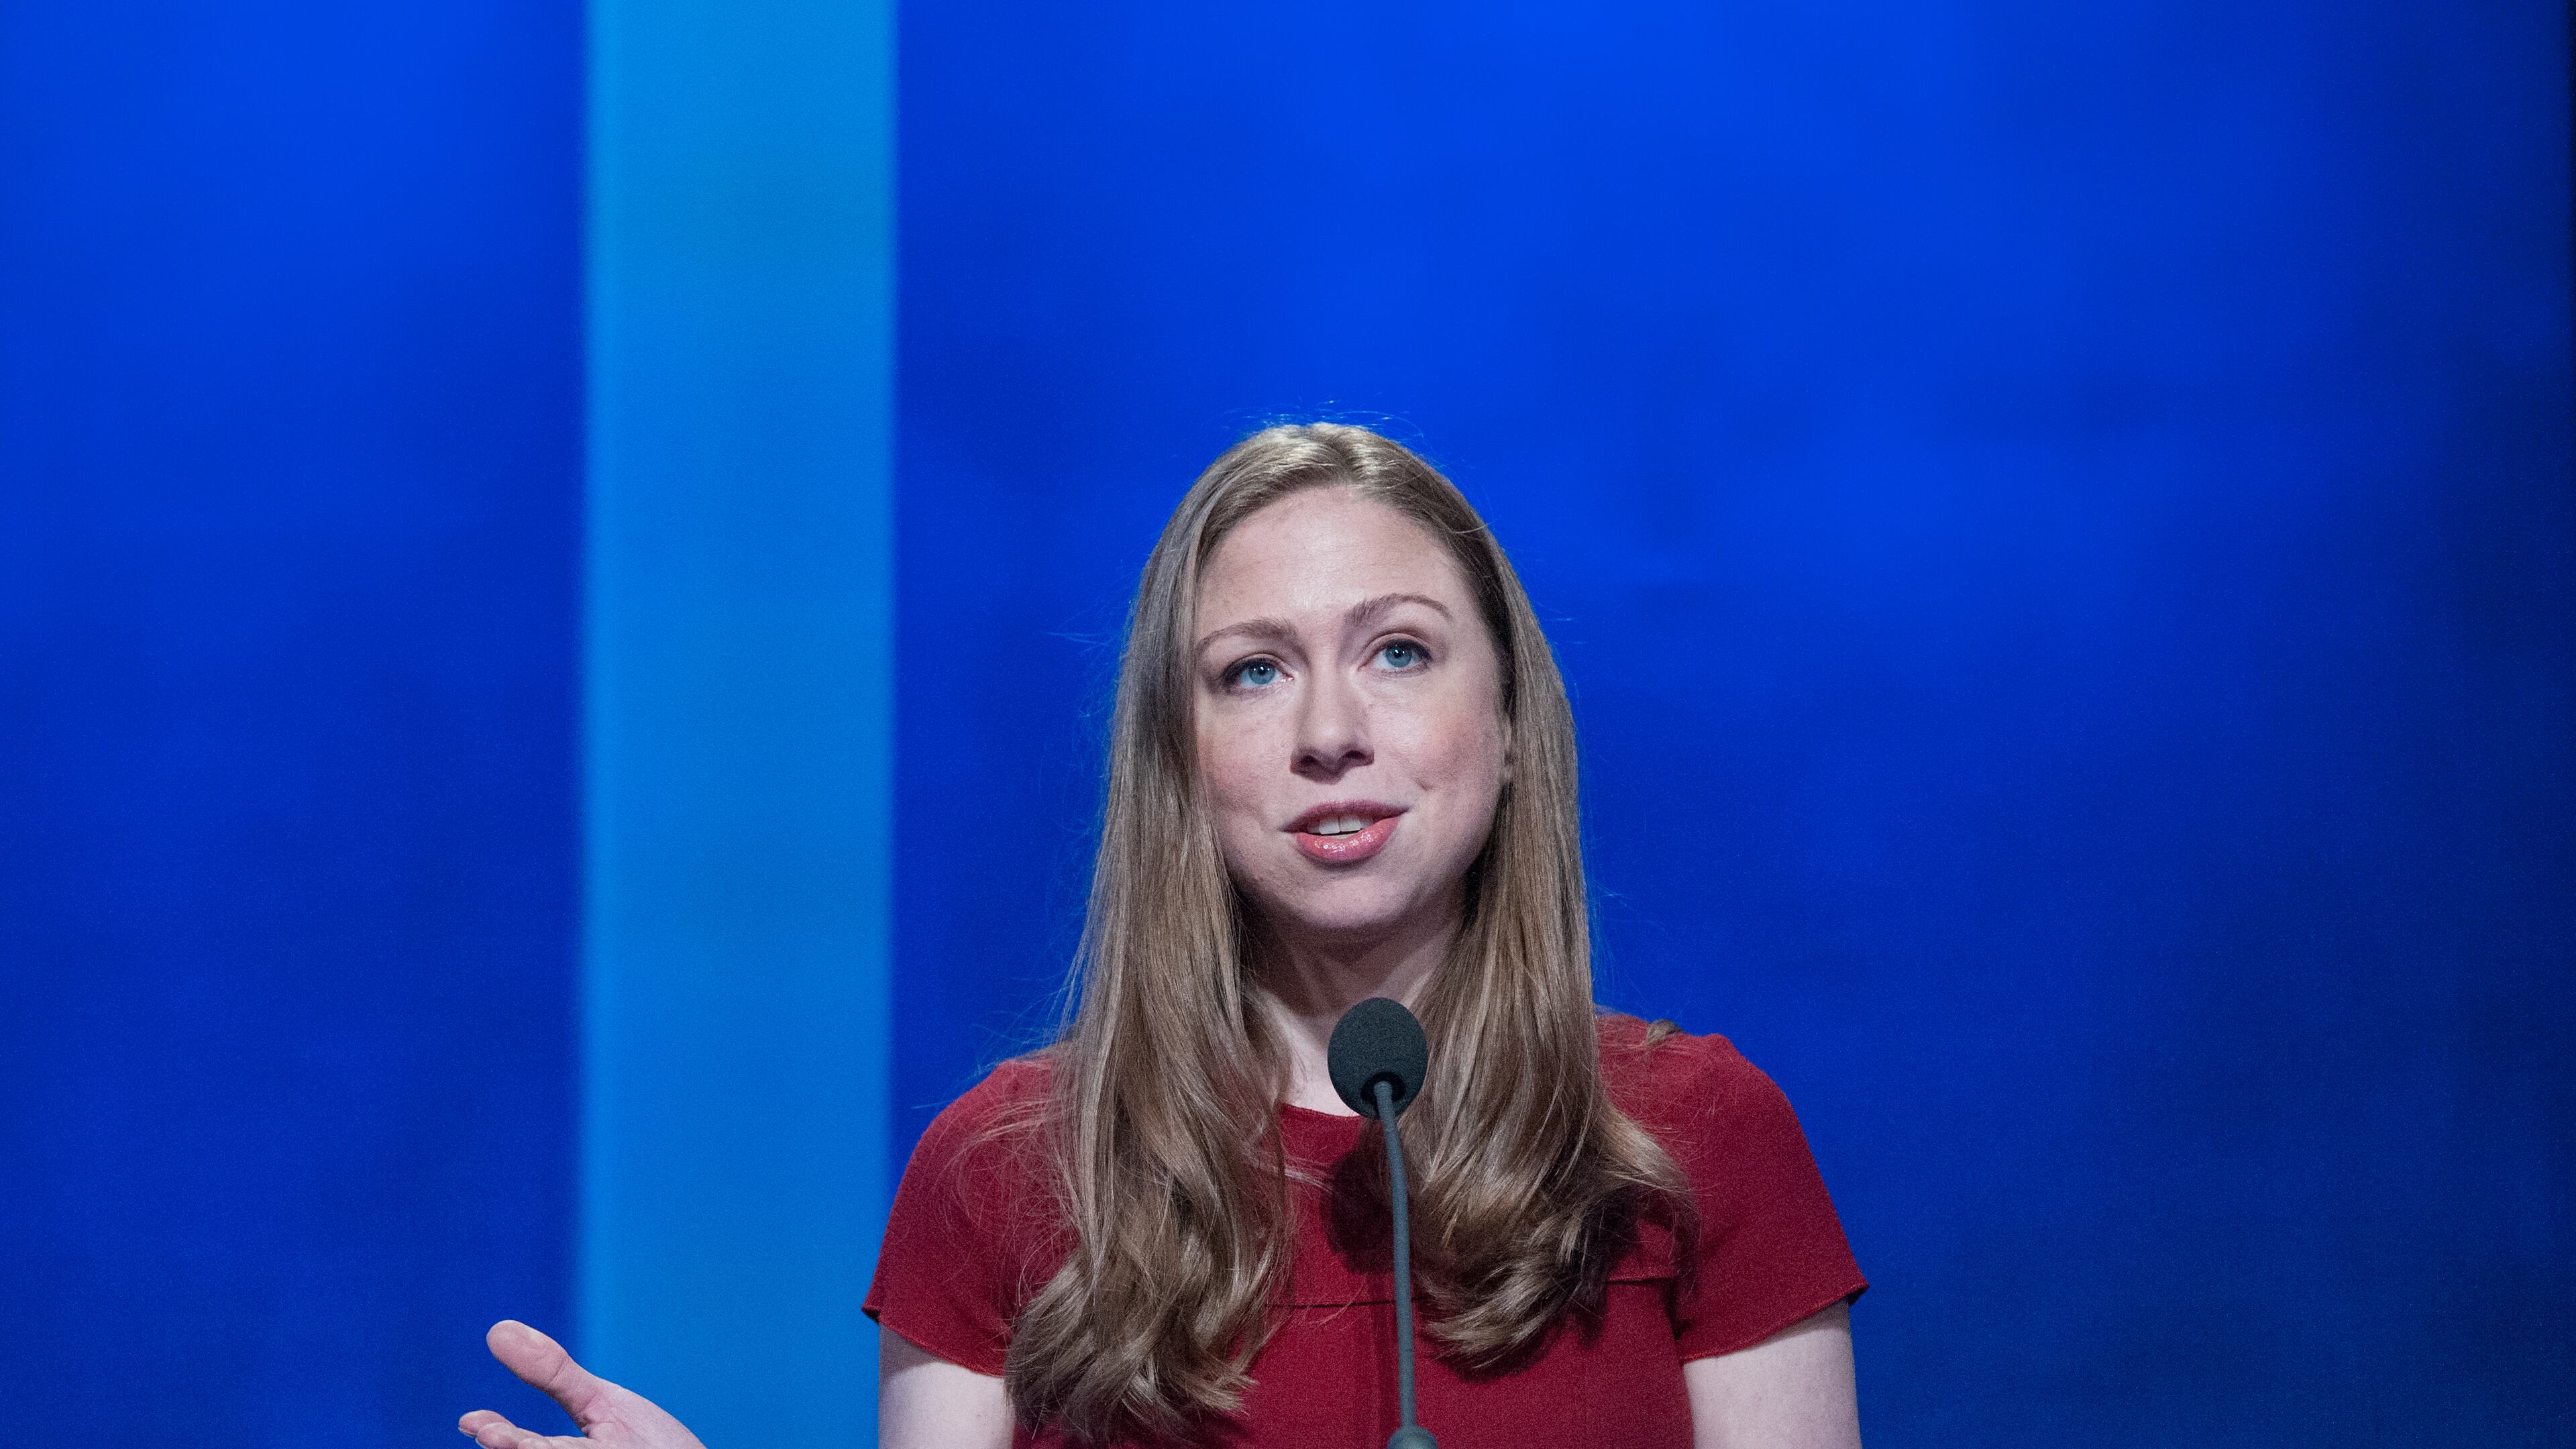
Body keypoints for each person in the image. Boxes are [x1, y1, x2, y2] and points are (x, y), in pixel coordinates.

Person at [460, 423, 1866, 1449]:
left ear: (1507, 728)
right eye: (1254, 672)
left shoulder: (1701, 1139)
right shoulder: (1004, 1172)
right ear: (1180, 765)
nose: (1329, 732)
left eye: (1399, 652)